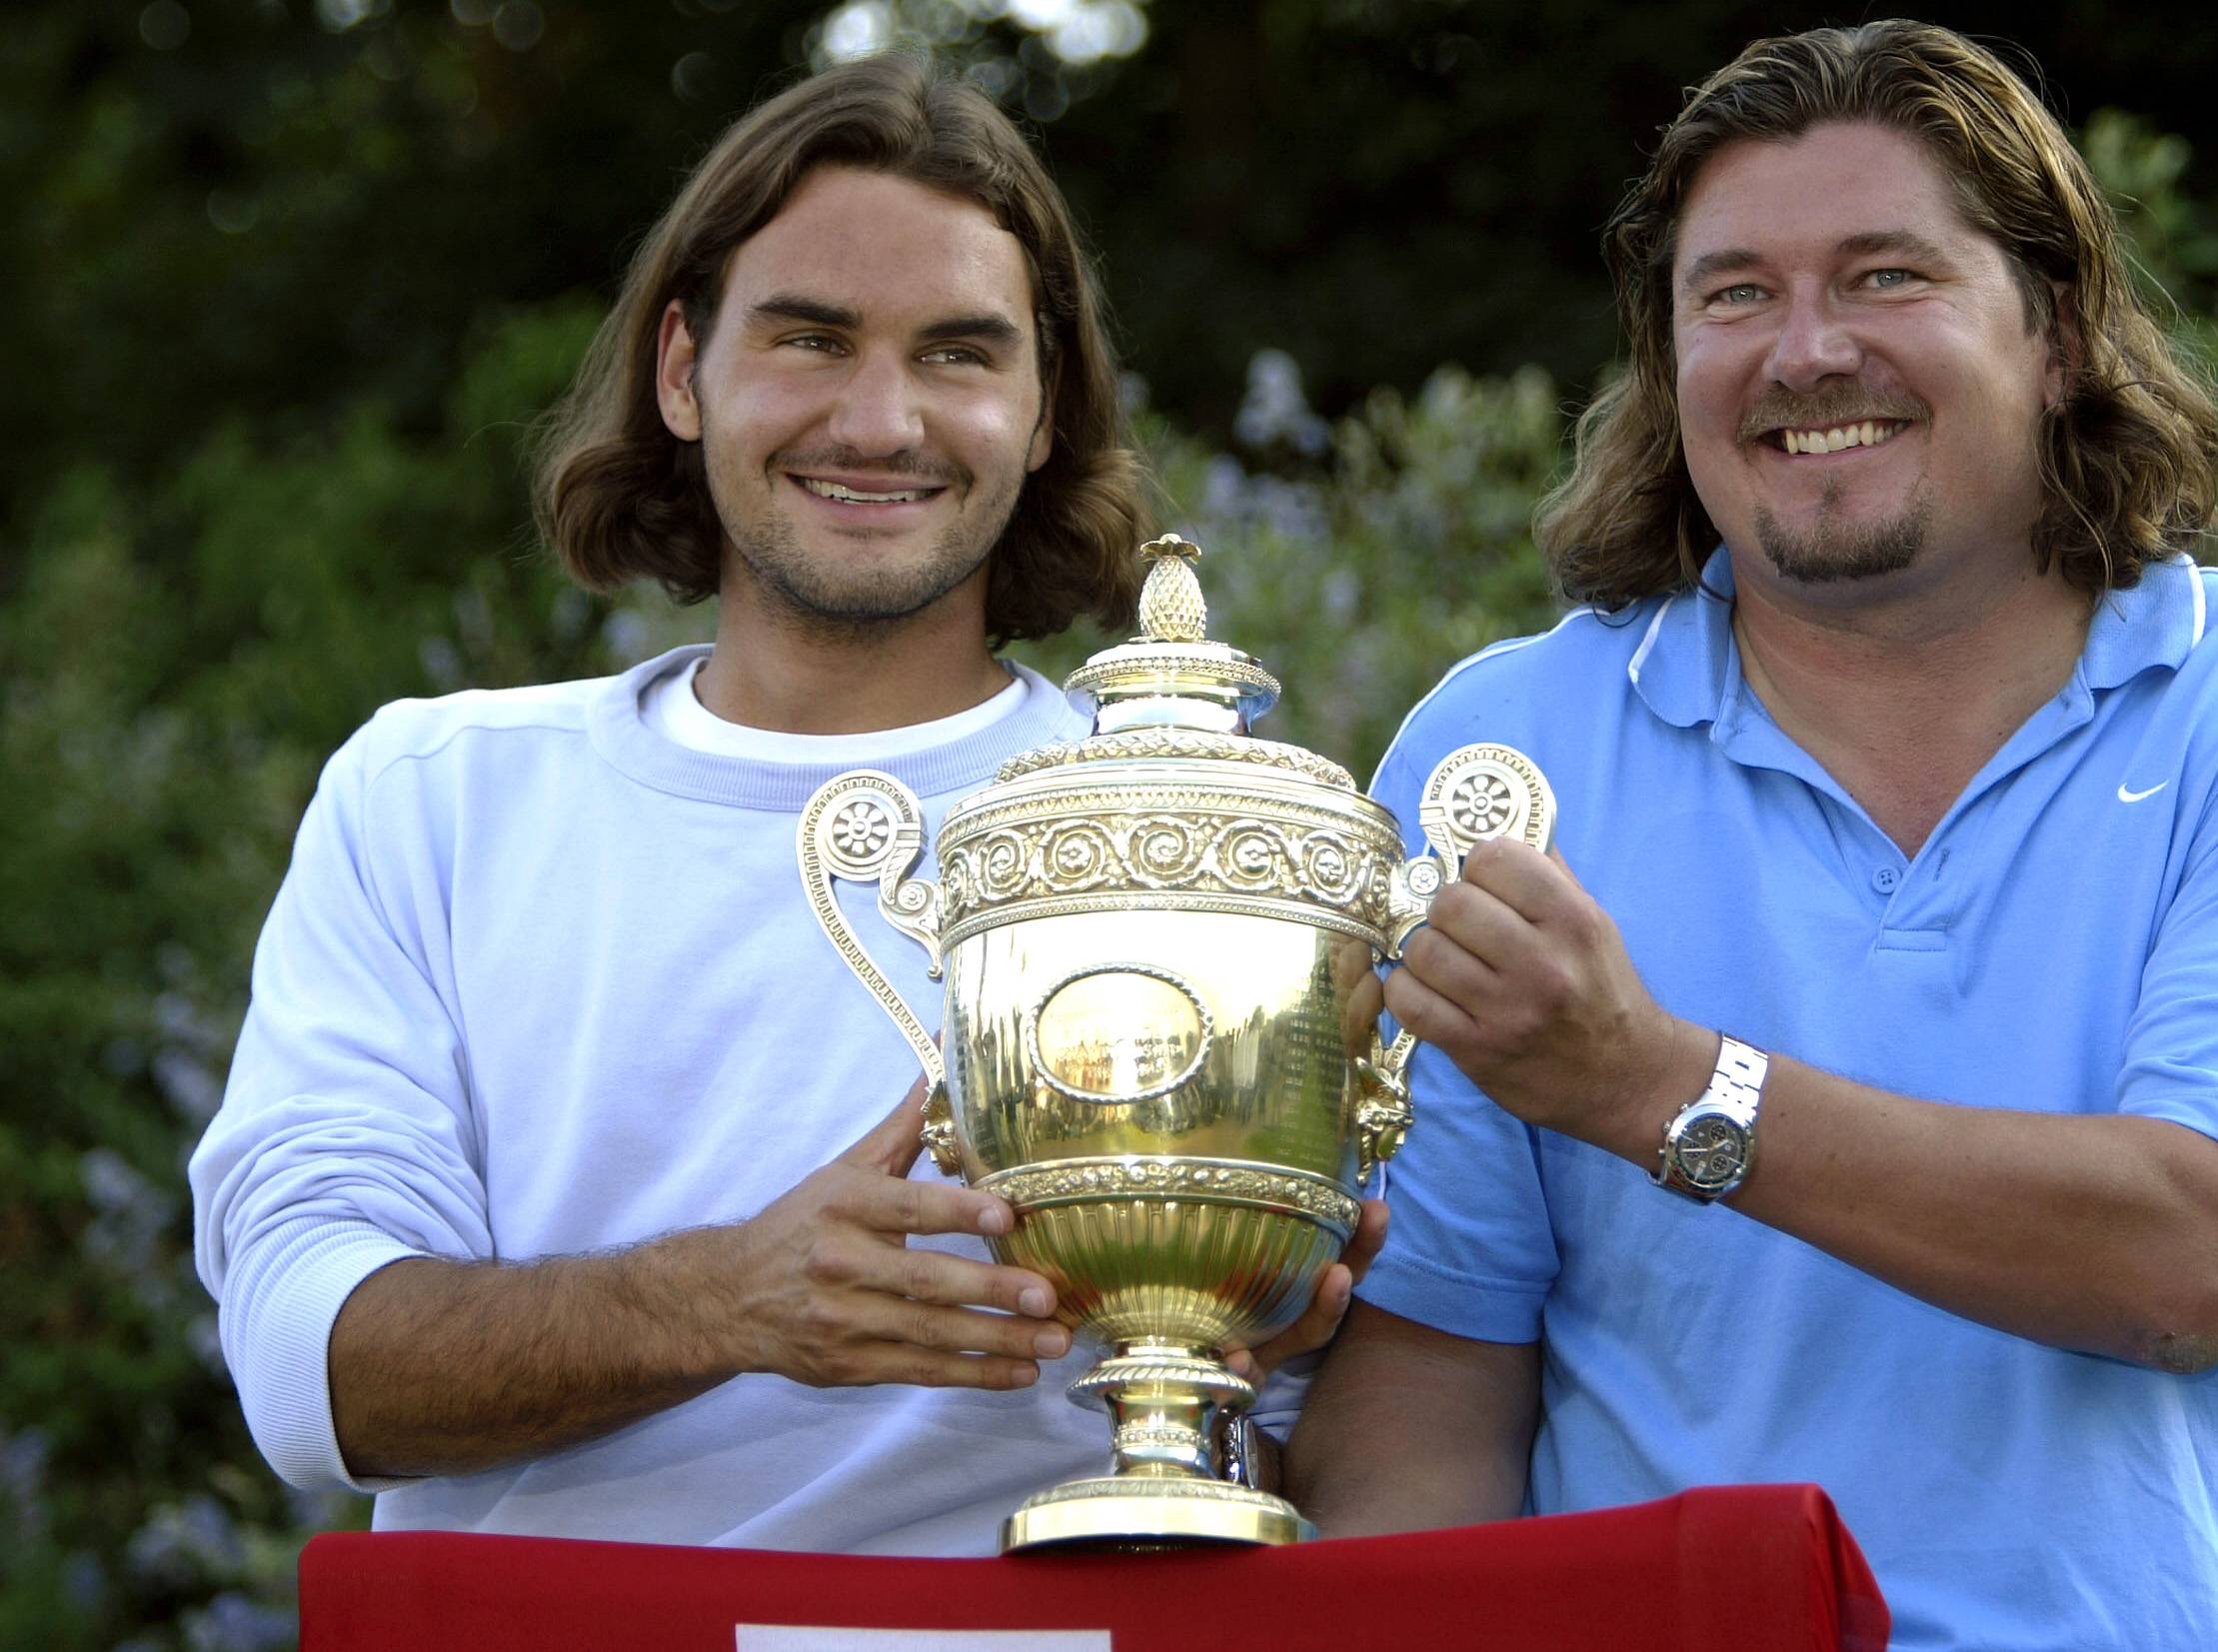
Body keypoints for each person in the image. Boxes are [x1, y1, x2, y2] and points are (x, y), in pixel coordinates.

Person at [1285, 20, 2218, 1649]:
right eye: (1734, 294)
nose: (1805, 350)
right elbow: (1431, 1378)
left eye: (1885, 276)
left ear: (2054, 331)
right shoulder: (1504, 756)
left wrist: (1653, 1082)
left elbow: (2192, 1257)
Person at [190, 54, 1367, 1555]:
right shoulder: (434, 798)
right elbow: (307, 1373)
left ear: (1047, 405)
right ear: (682, 371)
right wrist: (732, 1296)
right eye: (811, 338)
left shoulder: (1210, 847)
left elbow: (1361, 1418)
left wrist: (1230, 1366)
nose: (879, 422)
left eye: (958, 353)